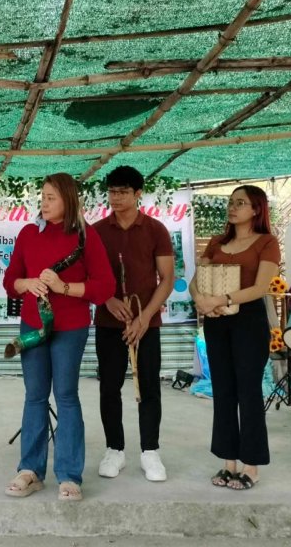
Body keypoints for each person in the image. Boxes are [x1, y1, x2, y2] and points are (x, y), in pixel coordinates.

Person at [2, 173, 114, 501]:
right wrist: (28, 283)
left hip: (70, 327)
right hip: (32, 327)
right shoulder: (28, 233)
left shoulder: (86, 236)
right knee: (35, 396)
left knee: (66, 396)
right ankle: (30, 471)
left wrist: (63, 287)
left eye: (51, 197)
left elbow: (104, 287)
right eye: (42, 197)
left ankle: (69, 475)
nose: (44, 203)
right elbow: (11, 281)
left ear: (68, 199)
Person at [189, 185, 279, 490]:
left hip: (249, 322)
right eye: (231, 202)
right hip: (217, 322)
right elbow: (196, 281)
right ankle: (228, 462)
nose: (233, 207)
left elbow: (260, 287)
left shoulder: (267, 243)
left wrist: (221, 299)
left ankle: (251, 466)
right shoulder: (216, 242)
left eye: (240, 203)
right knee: (223, 391)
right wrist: (202, 300)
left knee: (248, 392)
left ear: (256, 209)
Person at [92, 165, 175, 482]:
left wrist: (145, 317)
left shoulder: (155, 230)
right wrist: (107, 300)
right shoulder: (97, 231)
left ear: (138, 193)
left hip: (146, 324)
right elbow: (89, 277)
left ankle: (150, 451)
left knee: (149, 387)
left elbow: (167, 279)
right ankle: (114, 449)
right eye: (112, 192)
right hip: (108, 322)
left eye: (123, 192)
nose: (116, 198)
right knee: (109, 387)